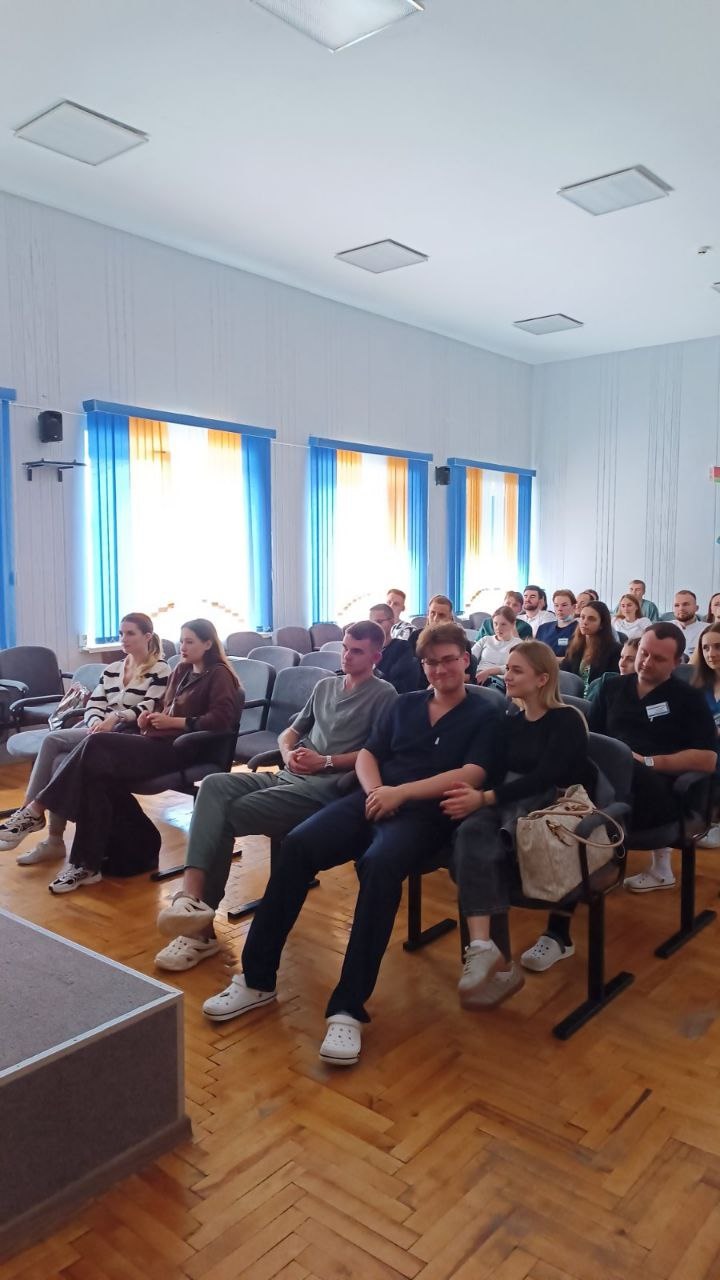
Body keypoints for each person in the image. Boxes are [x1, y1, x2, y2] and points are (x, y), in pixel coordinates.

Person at [198, 622, 500, 1066]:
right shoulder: (408, 704)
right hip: (372, 798)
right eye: (431, 662)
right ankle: (257, 979)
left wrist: (400, 794)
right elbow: (370, 754)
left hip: (425, 814)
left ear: (465, 660)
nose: (440, 669)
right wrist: (377, 791)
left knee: (378, 866)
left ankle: (347, 1008)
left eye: (449, 660)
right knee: (298, 845)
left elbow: (472, 773)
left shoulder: (484, 712)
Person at [154, 621, 397, 970]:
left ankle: (200, 932)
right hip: (288, 774)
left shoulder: (384, 695)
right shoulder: (326, 685)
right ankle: (191, 900)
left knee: (222, 817)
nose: (346, 656)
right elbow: (289, 733)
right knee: (213, 785)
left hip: (323, 790)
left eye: (356, 651)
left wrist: (324, 761)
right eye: (344, 647)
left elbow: (376, 753)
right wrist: (288, 754)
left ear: (376, 656)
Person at [523, 624, 718, 969]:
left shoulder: (687, 698)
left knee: (598, 798)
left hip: (658, 794)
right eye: (643, 653)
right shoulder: (613, 687)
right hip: (606, 791)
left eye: (658, 659)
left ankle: (557, 933)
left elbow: (707, 759)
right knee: (577, 808)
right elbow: (590, 740)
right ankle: (555, 925)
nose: (646, 662)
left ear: (676, 662)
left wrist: (648, 761)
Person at [37, 620, 242, 894]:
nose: (182, 646)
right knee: (95, 775)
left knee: (96, 744)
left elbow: (221, 720)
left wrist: (174, 723)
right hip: (158, 741)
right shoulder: (182, 670)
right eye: (181, 640)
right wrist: (149, 718)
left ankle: (38, 807)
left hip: (184, 750)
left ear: (208, 644)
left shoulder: (219, 675)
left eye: (190, 641)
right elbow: (166, 708)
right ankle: (86, 865)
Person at [444, 641, 592, 1004]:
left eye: (516, 670)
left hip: (547, 809)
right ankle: (483, 947)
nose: (506, 676)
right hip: (508, 803)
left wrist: (484, 799)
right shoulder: (510, 721)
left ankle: (501, 968)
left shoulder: (567, 719)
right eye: (507, 668)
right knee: (470, 832)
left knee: (484, 848)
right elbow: (495, 773)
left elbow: (545, 778)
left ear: (542, 679)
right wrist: (475, 793)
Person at [0, 613, 170, 864]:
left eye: (130, 633)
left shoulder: (160, 669)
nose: (123, 639)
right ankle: (53, 841)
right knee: (58, 760)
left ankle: (29, 813)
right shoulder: (112, 669)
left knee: (52, 741)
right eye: (121, 633)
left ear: (147, 636)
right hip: (98, 731)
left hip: (129, 734)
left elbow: (149, 706)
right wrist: (94, 724)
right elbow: (95, 703)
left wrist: (115, 718)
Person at [692, 622, 720, 849]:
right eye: (706, 648)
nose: (711, 653)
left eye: (718, 647)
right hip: (705, 745)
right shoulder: (699, 685)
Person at [561, 601, 622, 694]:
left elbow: (611, 683)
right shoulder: (574, 644)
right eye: (582, 617)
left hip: (597, 697)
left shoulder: (615, 650)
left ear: (602, 624)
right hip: (572, 695)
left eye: (591, 619)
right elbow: (565, 672)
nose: (585, 622)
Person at [422, 596, 477, 681]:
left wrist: (438, 682)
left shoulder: (461, 640)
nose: (435, 618)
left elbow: (468, 675)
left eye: (441, 615)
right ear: (428, 614)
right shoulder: (415, 637)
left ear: (450, 618)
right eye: (432, 613)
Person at [368, 604, 420, 693]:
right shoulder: (364, 648)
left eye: (379, 622)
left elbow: (397, 683)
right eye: (371, 623)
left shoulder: (402, 648)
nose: (374, 627)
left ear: (392, 621)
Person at [471, 606, 520, 688]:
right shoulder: (486, 639)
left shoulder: (518, 644)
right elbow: (471, 657)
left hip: (500, 681)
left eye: (503, 624)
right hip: (477, 676)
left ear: (513, 624)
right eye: (495, 623)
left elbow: (513, 667)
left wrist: (488, 672)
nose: (498, 628)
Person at [536, 589, 578, 656]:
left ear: (574, 607)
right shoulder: (543, 628)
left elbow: (578, 657)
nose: (559, 609)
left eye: (564, 605)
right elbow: (536, 652)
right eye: (556, 605)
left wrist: (553, 660)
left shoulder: (579, 629)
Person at [670, 590, 705, 658]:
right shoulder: (663, 628)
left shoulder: (707, 629)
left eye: (686, 604)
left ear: (696, 608)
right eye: (677, 605)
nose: (681, 608)